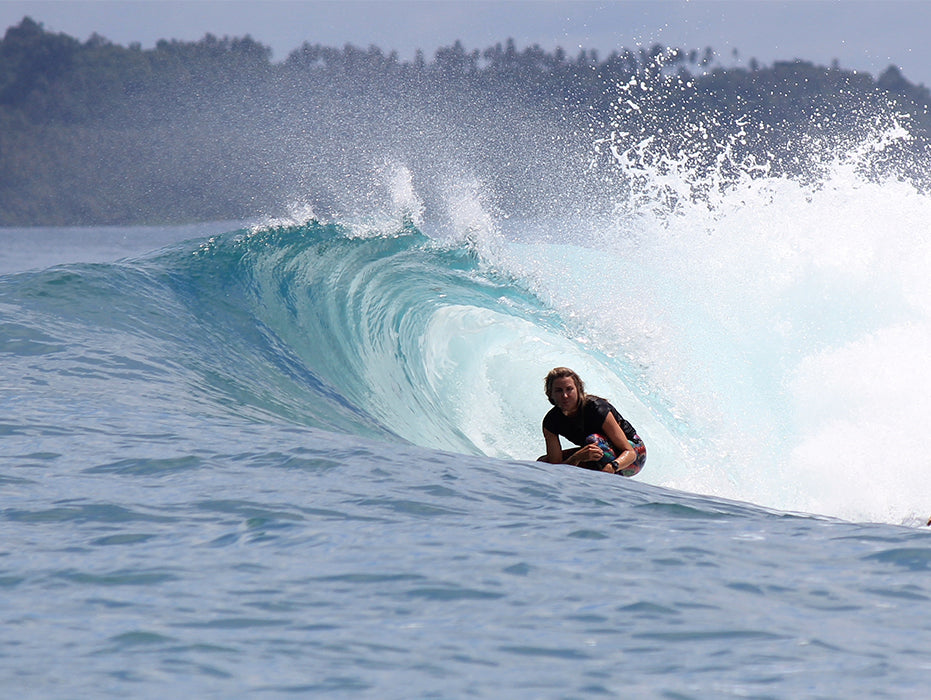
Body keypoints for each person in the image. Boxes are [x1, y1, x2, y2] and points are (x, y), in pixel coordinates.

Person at [539, 367, 646, 477]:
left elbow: (630, 453)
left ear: (578, 389)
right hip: (600, 453)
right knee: (543, 463)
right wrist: (576, 458)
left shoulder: (597, 408)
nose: (565, 395)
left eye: (569, 389)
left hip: (633, 456)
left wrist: (612, 467)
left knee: (593, 440)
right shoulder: (551, 421)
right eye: (559, 390)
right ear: (550, 393)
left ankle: (604, 481)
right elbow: (555, 467)